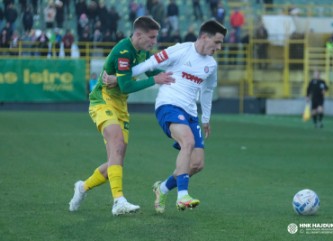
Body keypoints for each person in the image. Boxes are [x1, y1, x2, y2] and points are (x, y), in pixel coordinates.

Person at [68, 16, 174, 216]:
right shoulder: (123, 51)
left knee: (115, 161)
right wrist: (156, 80)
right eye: (151, 37)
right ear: (139, 34)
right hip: (103, 100)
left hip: (121, 107)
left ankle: (82, 188)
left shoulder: (141, 51)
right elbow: (126, 85)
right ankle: (118, 202)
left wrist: (174, 75)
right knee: (116, 142)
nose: (154, 42)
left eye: (155, 38)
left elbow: (149, 71)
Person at [131, 20, 227, 212]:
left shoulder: (211, 65)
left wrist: (206, 118)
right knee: (188, 142)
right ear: (204, 37)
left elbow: (207, 92)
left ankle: (163, 188)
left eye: (221, 43)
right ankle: (182, 196)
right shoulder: (180, 50)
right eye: (217, 42)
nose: (219, 47)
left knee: (198, 164)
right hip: (169, 104)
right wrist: (121, 77)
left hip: (190, 112)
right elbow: (150, 63)